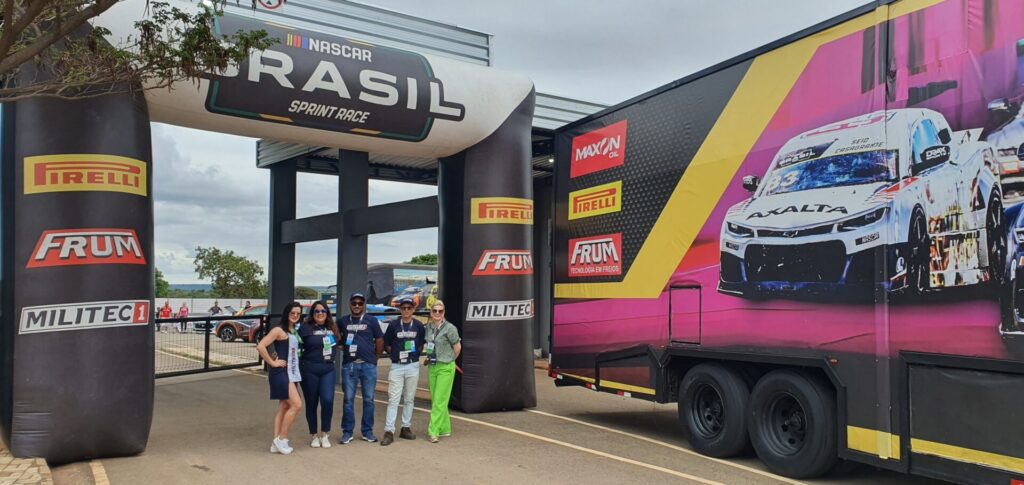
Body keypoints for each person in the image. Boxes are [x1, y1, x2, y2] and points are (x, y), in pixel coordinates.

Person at [256, 302, 304, 455]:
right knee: (296, 405)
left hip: (292, 372)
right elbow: (261, 346)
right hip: (282, 372)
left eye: (298, 313)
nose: (295, 315)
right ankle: (281, 438)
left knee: (284, 407)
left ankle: (275, 443)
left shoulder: (294, 330)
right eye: (292, 313)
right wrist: (272, 363)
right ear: (287, 313)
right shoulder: (278, 330)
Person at [339, 292, 384, 444]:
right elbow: (337, 338)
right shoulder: (343, 321)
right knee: (348, 399)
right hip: (349, 365)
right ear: (350, 304)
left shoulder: (371, 320)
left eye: (360, 303)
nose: (357, 306)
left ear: (364, 304)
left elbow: (379, 340)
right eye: (354, 303)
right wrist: (342, 346)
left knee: (369, 399)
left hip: (368, 365)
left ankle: (367, 431)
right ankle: (347, 432)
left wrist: (375, 359)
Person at [380, 297, 425, 446]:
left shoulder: (418, 325)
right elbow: (387, 344)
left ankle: (406, 427)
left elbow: (421, 344)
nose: (406, 310)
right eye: (403, 308)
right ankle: (389, 431)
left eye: (409, 308)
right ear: (400, 309)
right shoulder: (393, 325)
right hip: (397, 366)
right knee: (393, 399)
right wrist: (395, 355)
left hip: (412, 365)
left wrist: (414, 356)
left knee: (409, 398)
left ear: (413, 309)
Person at [297, 301, 340, 448]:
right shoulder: (305, 328)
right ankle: (314, 435)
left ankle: (325, 434)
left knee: (327, 400)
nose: (320, 313)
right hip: (309, 369)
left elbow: (339, 343)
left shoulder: (333, 327)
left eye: (323, 311)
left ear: (327, 313)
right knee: (312, 402)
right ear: (312, 313)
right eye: (317, 311)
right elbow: (295, 346)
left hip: (328, 369)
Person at [424, 300, 461, 443]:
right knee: (436, 399)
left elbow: (457, 347)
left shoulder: (450, 328)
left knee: (439, 400)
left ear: (444, 312)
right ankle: (445, 428)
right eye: (435, 311)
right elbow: (429, 345)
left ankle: (433, 431)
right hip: (432, 366)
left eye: (440, 311)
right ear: (431, 312)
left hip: (445, 367)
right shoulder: (429, 327)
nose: (437, 313)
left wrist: (450, 360)